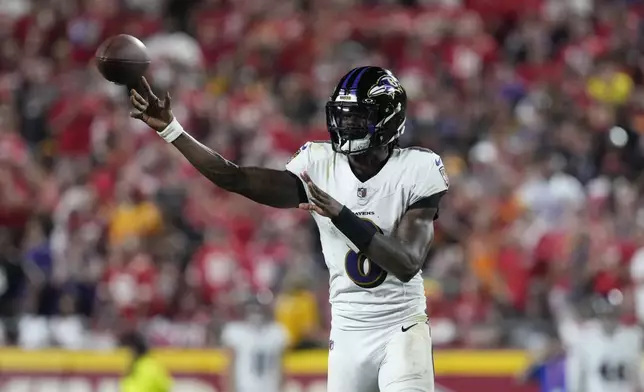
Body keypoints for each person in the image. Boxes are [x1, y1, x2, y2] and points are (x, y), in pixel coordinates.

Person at [129, 65, 448, 392]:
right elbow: (236, 177)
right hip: (347, 333)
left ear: (387, 118)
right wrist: (172, 130)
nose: (346, 124)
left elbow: (407, 263)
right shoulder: (319, 164)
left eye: (358, 116)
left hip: (401, 327)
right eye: (343, 115)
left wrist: (341, 214)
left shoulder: (417, 168)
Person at [566, 290, 644, 392]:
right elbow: (576, 375)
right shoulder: (585, 338)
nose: (609, 319)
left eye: (612, 313)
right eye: (606, 314)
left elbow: (638, 372)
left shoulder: (634, 336)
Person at [221, 293, 288, 392]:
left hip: (270, 388)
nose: (256, 313)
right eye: (253, 309)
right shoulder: (235, 331)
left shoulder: (277, 331)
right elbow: (230, 367)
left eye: (259, 309)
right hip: (245, 388)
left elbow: (281, 368)